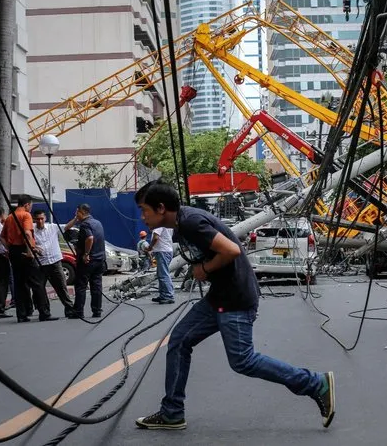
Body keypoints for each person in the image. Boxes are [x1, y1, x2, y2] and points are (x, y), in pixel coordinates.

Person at [133, 181, 335, 430]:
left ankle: (315, 384)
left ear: (161, 208)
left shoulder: (190, 222)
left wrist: (204, 269)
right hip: (219, 296)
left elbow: (231, 250)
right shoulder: (181, 223)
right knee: (180, 340)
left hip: (235, 298)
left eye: (144, 210)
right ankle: (172, 412)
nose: (142, 216)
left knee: (243, 361)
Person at [1, 195, 58, 323]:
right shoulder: (25, 215)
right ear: (27, 205)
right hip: (24, 251)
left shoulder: (10, 217)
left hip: (14, 252)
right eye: (30, 206)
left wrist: (10, 249)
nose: (31, 209)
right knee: (37, 283)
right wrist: (29, 251)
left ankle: (21, 315)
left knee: (19, 284)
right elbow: (27, 233)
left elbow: (2, 237)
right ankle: (44, 312)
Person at [64, 204, 105, 318]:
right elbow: (66, 228)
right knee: (96, 286)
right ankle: (97, 311)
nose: (76, 215)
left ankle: (78, 312)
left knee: (81, 285)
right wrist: (76, 218)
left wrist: (86, 254)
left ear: (81, 212)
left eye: (77, 212)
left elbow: (90, 238)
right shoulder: (97, 223)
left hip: (88, 260)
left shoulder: (85, 224)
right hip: (99, 259)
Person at [32, 210, 75, 318]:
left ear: (45, 218)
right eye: (38, 219)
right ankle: (44, 312)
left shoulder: (52, 227)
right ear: (34, 219)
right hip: (41, 264)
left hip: (55, 262)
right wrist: (34, 248)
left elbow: (66, 227)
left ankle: (69, 309)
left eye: (42, 218)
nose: (40, 221)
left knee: (61, 286)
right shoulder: (31, 230)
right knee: (40, 288)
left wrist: (76, 218)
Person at [147, 224, 174, 304]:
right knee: (161, 274)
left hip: (162, 251)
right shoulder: (167, 224)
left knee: (163, 274)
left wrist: (150, 247)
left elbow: (155, 237)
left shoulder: (159, 224)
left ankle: (168, 296)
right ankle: (163, 295)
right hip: (166, 250)